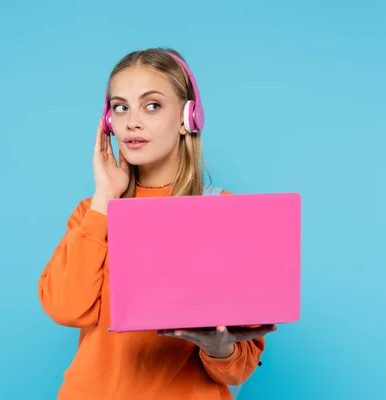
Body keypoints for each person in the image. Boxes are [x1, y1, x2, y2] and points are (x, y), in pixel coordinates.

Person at [38, 47, 277, 399]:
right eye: (121, 107)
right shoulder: (92, 213)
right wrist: (105, 197)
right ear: (109, 123)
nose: (132, 121)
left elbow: (240, 366)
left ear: (188, 117)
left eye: (152, 105)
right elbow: (65, 308)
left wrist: (218, 347)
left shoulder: (225, 214)